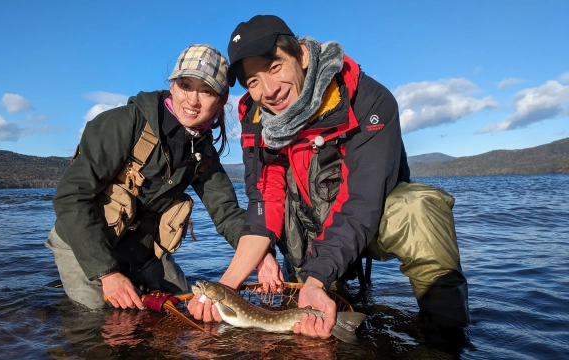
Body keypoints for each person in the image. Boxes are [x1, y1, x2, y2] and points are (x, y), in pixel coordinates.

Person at [188, 15, 471, 340]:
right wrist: (225, 286)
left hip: (370, 221)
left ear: (303, 56)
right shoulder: (257, 121)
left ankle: (445, 341)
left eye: (275, 66)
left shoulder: (368, 101)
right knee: (321, 326)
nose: (269, 89)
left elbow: (361, 202)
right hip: (309, 233)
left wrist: (315, 278)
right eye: (253, 81)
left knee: (418, 207)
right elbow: (265, 202)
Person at [45, 44, 245, 310]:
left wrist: (261, 257)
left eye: (206, 91)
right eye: (186, 85)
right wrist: (108, 273)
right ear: (172, 86)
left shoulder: (203, 151)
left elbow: (227, 213)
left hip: (142, 253)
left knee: (181, 309)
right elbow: (71, 197)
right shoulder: (123, 123)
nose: (193, 101)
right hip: (84, 244)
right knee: (98, 324)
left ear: (221, 100)